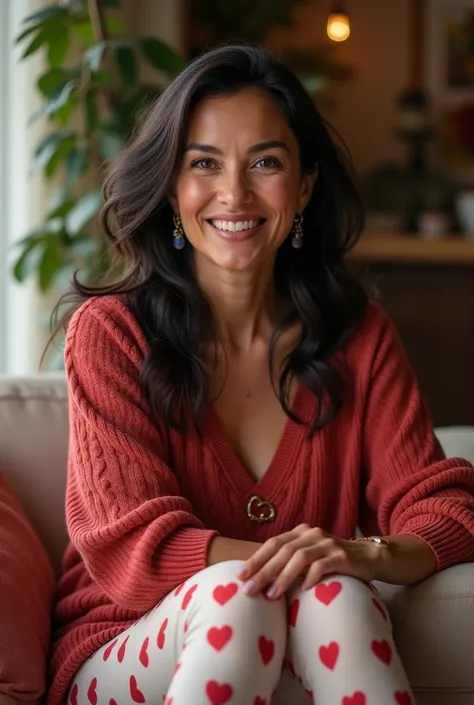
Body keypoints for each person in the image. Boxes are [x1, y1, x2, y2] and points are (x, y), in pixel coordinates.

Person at [47, 45, 474, 705]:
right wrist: (296, 564)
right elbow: (133, 551)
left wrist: (362, 555)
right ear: (169, 186)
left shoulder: (357, 337)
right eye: (204, 164)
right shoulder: (111, 334)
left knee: (335, 590)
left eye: (266, 162)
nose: (235, 193)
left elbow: (445, 508)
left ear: (303, 186)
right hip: (121, 651)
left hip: (306, 628)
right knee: (240, 594)